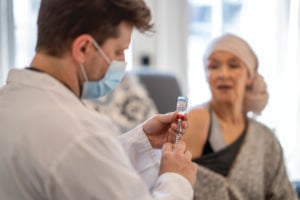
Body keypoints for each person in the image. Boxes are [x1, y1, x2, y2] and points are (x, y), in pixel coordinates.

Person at [0, 0, 197, 199]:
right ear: (84, 48)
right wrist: (176, 180)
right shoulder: (81, 132)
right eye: (118, 52)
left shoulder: (10, 101)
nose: (121, 63)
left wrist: (140, 143)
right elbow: (82, 152)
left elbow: (77, 170)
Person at [182, 33, 298, 199]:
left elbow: (284, 195)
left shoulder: (265, 138)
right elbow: (174, 186)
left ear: (249, 76)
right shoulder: (196, 120)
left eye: (233, 66)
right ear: (206, 75)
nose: (223, 74)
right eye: (214, 67)